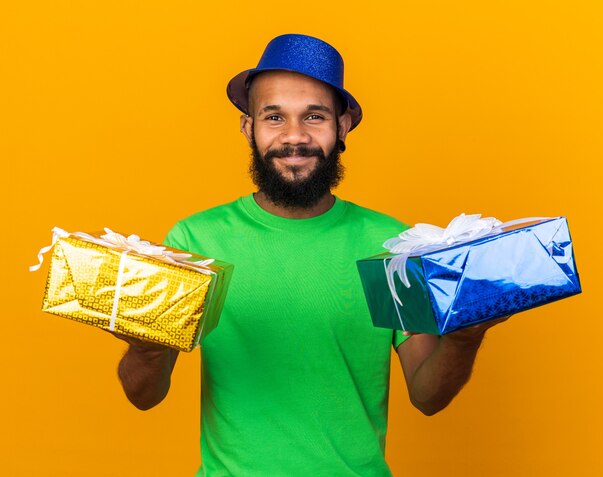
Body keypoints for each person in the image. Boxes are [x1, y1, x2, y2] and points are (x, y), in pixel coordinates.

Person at [115, 34, 506, 476]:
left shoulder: (392, 244)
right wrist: (144, 348)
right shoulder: (195, 240)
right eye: (274, 116)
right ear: (249, 128)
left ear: (343, 126)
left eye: (314, 116)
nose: (294, 137)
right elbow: (144, 396)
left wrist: (464, 337)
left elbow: (427, 396)